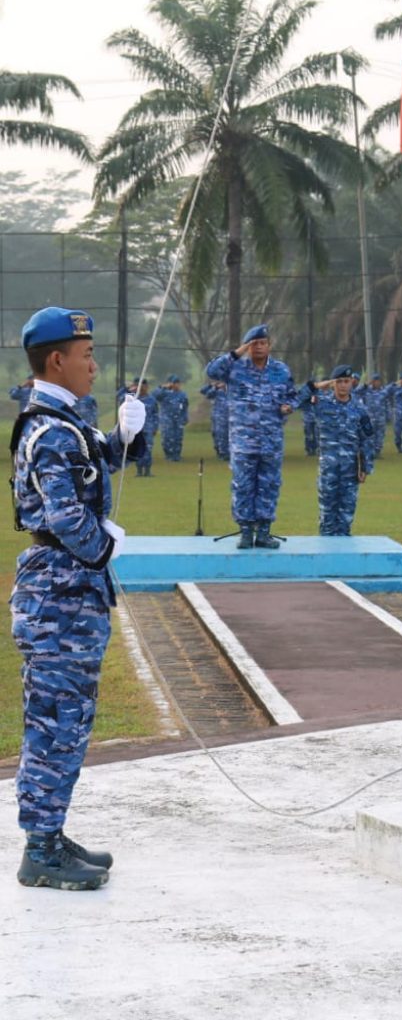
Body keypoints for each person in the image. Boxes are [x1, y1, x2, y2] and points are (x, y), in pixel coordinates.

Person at [11, 306, 146, 891]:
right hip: (59, 595)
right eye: (86, 355)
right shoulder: (47, 429)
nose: (94, 364)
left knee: (69, 718)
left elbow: (94, 468)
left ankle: (51, 831)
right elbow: (67, 514)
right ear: (56, 360)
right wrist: (102, 547)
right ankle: (39, 850)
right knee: (56, 719)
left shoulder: (66, 422)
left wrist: (123, 435)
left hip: (71, 592)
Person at [206, 323, 297, 549]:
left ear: (269, 346)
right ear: (247, 346)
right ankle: (246, 532)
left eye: (262, 343)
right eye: (254, 343)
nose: (258, 347)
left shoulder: (281, 370)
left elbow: (293, 395)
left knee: (269, 486)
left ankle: (264, 533)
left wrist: (289, 406)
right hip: (243, 441)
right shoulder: (235, 369)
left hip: (271, 441)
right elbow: (211, 372)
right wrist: (238, 352)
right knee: (243, 486)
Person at [296, 365, 375, 535]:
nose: (343, 385)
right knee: (327, 517)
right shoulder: (321, 404)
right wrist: (316, 386)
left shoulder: (359, 408)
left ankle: (344, 557)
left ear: (352, 383)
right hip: (328, 471)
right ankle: (326, 557)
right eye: (339, 382)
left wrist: (365, 467)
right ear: (332, 384)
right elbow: (297, 401)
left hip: (350, 471)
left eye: (346, 381)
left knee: (346, 517)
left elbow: (366, 439)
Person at [154, 374, 189, 461]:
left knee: (178, 437)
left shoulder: (182, 394)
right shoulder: (164, 393)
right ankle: (169, 455)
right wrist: (162, 387)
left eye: (178, 383)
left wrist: (185, 417)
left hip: (178, 419)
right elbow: (155, 396)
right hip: (167, 419)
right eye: (174, 383)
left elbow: (185, 406)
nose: (176, 385)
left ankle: (177, 455)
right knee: (167, 437)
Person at [199, 379, 231, 460]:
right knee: (217, 435)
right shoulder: (217, 391)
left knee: (228, 435)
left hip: (231, 417)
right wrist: (213, 386)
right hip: (218, 417)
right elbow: (204, 392)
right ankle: (220, 452)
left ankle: (226, 454)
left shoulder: (232, 391)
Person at [134, 379, 159, 477]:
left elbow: (155, 414)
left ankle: (147, 470)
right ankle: (139, 470)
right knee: (137, 449)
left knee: (148, 449)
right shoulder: (133, 399)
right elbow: (120, 397)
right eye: (139, 385)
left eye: (144, 385)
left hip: (148, 428)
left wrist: (155, 427)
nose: (142, 388)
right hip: (136, 428)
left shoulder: (152, 400)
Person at [362, 373, 389, 460]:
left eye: (378, 381)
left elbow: (387, 404)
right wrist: (366, 384)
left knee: (380, 435)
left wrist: (388, 415)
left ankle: (378, 452)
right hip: (370, 418)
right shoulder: (367, 391)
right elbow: (356, 391)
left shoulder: (383, 392)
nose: (376, 383)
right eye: (374, 381)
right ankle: (370, 452)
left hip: (381, 418)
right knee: (370, 435)